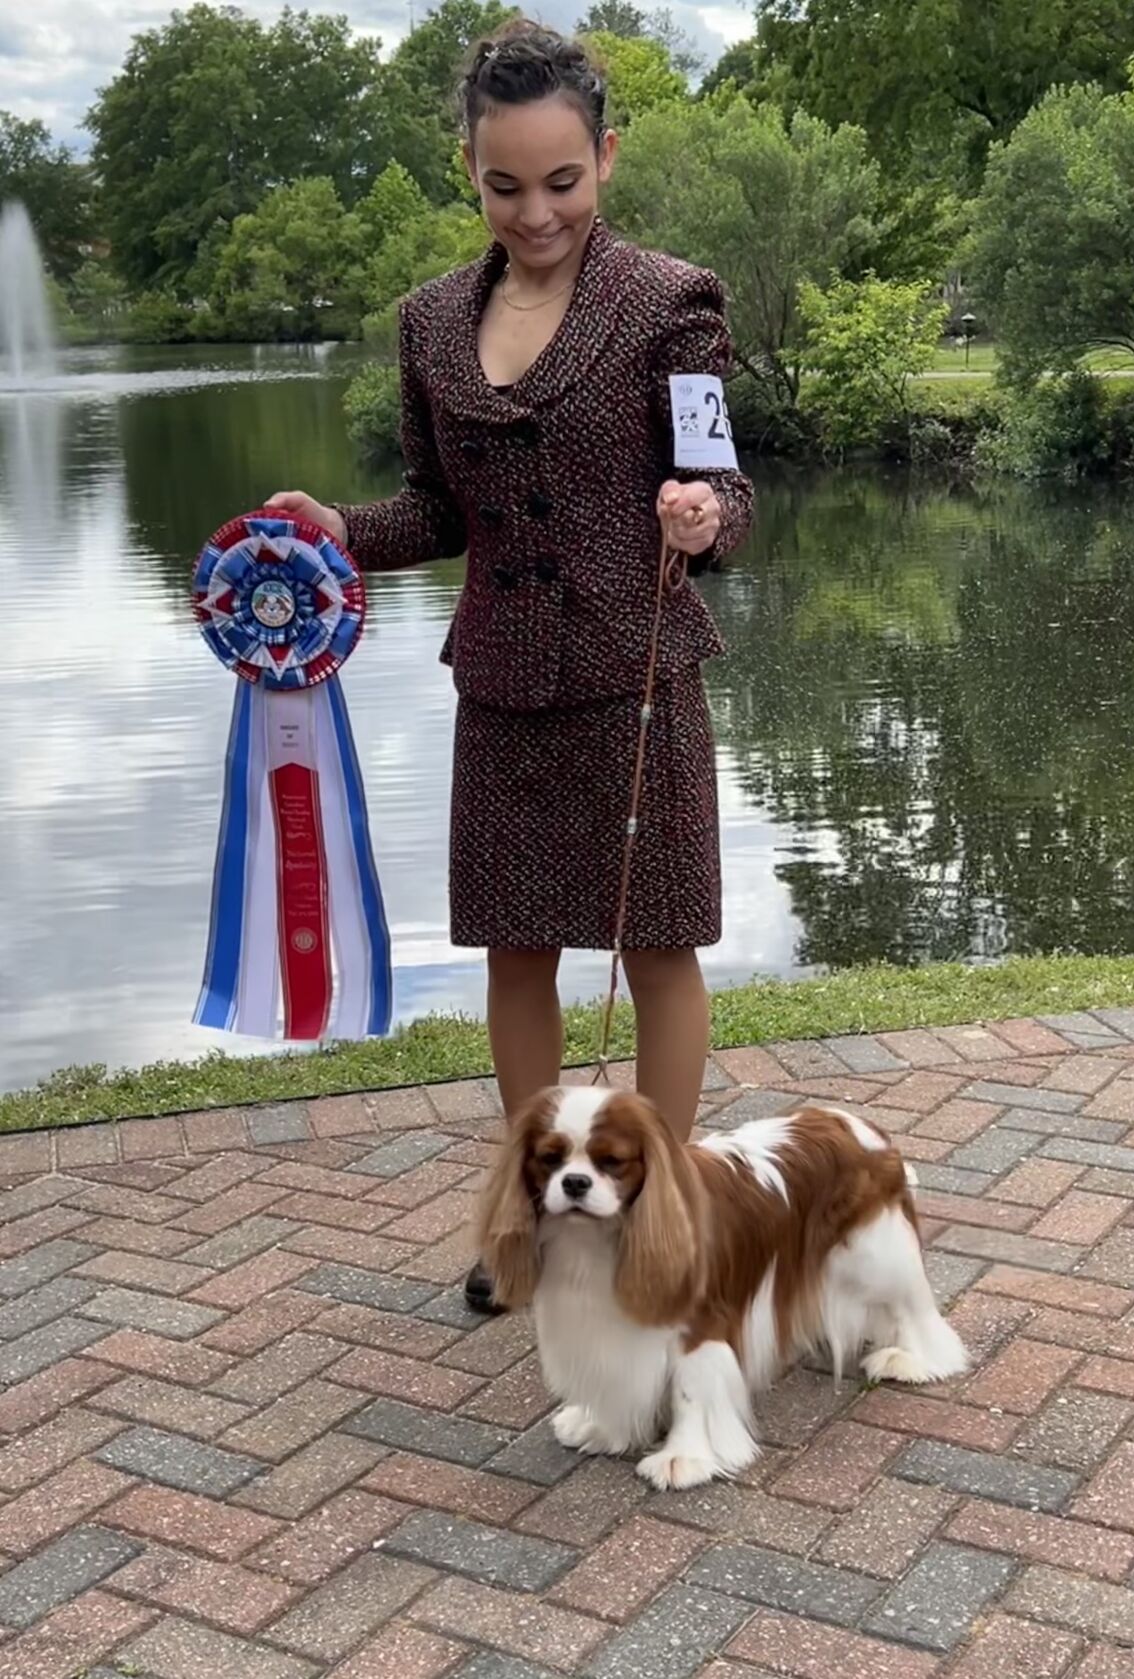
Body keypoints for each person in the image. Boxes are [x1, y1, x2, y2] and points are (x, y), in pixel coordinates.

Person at [268, 19, 754, 1314]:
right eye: (503, 185)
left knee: (657, 948)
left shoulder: (669, 300)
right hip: (500, 688)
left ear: (603, 155)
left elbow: (719, 481)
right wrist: (338, 533)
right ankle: (530, 1223)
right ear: (468, 172)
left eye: (561, 181)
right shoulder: (429, 324)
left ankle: (670, 1220)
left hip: (632, 675)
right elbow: (437, 508)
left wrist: (701, 517)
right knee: (514, 956)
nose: (534, 211)